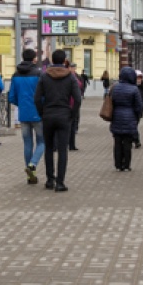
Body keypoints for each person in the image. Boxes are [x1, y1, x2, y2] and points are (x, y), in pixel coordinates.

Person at [34, 49, 83, 193]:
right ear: (64, 61)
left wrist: (42, 112)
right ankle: (60, 183)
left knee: (49, 148)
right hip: (64, 115)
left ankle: (50, 179)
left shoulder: (44, 76)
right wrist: (72, 115)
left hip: (48, 115)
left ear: (52, 60)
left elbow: (37, 98)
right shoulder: (71, 77)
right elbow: (78, 99)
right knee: (63, 150)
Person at [8, 48, 44, 184]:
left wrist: (22, 104)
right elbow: (43, 95)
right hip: (38, 114)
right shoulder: (39, 74)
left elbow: (11, 96)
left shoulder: (15, 75)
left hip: (23, 114)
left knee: (27, 143)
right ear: (34, 58)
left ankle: (30, 176)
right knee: (42, 142)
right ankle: (32, 164)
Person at [109, 66, 143, 172]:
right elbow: (139, 105)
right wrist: (137, 115)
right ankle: (126, 165)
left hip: (116, 117)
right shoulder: (134, 89)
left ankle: (118, 164)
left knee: (117, 142)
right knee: (127, 143)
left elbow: (110, 101)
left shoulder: (115, 87)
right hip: (130, 117)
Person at [67, 61, 83, 151]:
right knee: (68, 125)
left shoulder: (76, 76)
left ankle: (72, 145)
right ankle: (67, 144)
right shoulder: (69, 77)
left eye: (74, 67)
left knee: (73, 124)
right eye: (72, 67)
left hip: (74, 104)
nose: (73, 69)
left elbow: (80, 85)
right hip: (69, 104)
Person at [133, 70, 143, 149]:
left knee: (134, 125)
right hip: (131, 110)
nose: (139, 80)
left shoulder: (142, 87)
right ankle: (136, 141)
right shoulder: (132, 87)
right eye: (137, 78)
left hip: (139, 111)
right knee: (134, 126)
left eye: (140, 78)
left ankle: (134, 139)